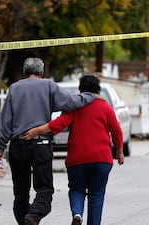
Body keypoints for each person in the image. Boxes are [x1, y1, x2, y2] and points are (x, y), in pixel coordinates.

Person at [0, 57, 96, 225]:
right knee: (44, 190)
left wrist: (0, 147)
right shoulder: (48, 85)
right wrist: (89, 96)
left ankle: (25, 220)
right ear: (42, 72)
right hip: (41, 143)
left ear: (24, 73)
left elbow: (5, 120)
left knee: (20, 192)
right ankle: (32, 217)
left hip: (17, 145)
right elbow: (71, 103)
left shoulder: (14, 88)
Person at [23, 75, 124, 225]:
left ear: (81, 89)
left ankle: (77, 214)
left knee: (77, 190)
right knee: (96, 194)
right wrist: (120, 152)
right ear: (98, 89)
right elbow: (116, 131)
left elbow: (57, 124)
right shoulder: (106, 107)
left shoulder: (75, 106)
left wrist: (36, 131)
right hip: (102, 159)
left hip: (77, 159)